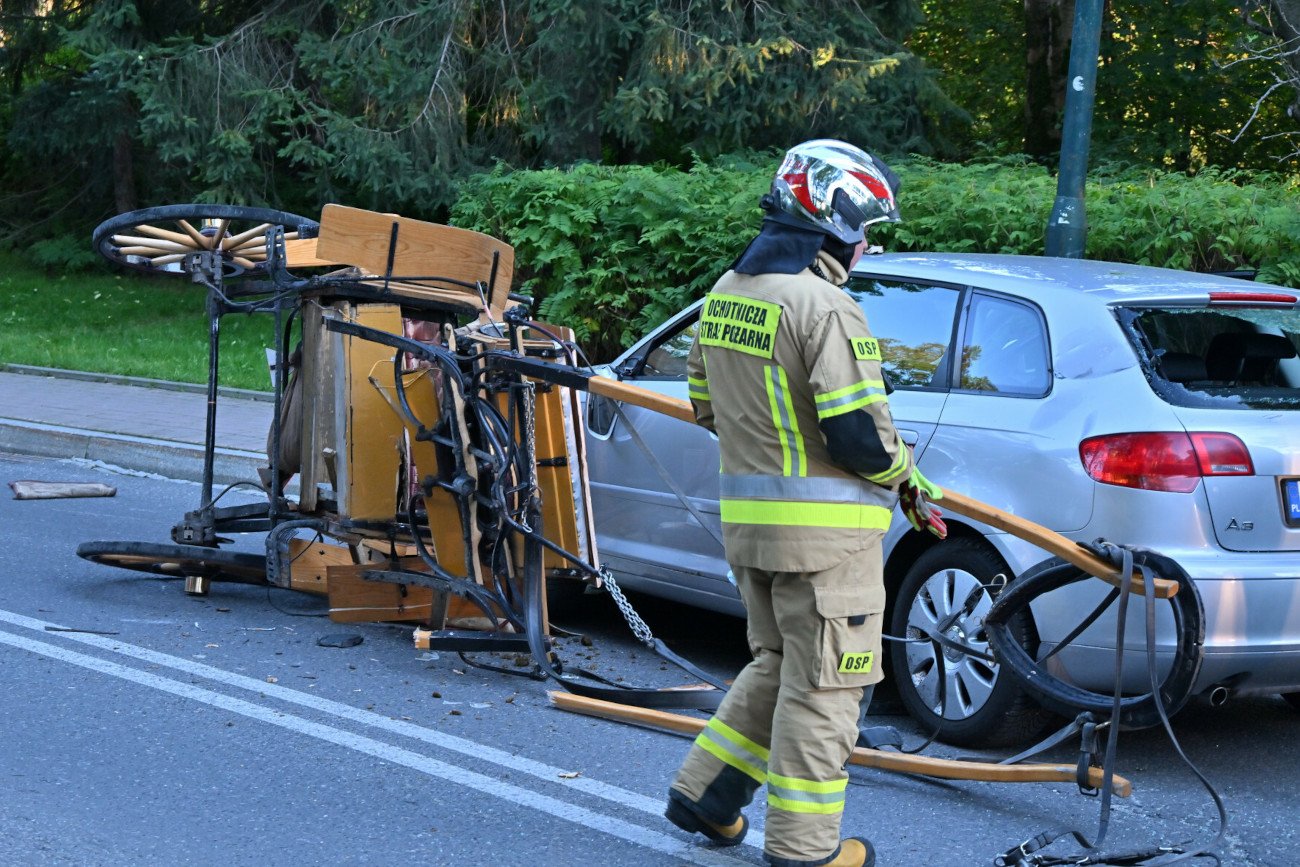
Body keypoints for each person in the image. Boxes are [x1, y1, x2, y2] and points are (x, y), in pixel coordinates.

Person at [664, 139, 945, 867]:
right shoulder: (827, 307)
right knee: (826, 692)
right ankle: (806, 849)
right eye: (864, 233)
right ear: (835, 225)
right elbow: (858, 436)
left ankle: (706, 795)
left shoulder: (728, 294)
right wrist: (905, 475)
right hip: (828, 547)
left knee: (777, 665)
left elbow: (705, 404)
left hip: (752, 535)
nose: (865, 249)